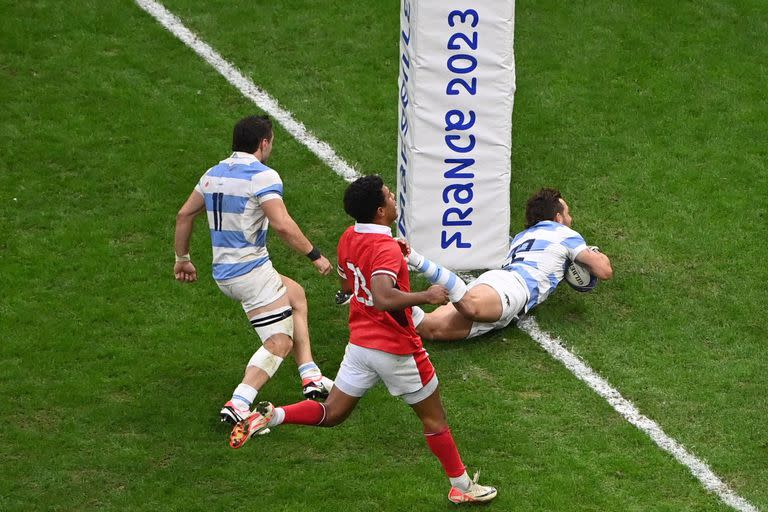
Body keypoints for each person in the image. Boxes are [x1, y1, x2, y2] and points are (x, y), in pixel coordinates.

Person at [228, 175, 497, 504]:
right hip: (398, 350)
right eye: (389, 195)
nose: (394, 198)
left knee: (333, 412)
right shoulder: (385, 248)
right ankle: (463, 487)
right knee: (434, 420)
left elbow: (347, 282)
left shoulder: (349, 236)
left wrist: (361, 287)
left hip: (360, 346)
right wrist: (426, 294)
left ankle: (275, 414)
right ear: (381, 211)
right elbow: (383, 297)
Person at [173, 114, 334, 426]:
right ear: (263, 143)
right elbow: (283, 225)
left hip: (224, 273)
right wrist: (315, 255)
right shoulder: (263, 177)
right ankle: (239, 403)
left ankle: (310, 376)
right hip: (251, 274)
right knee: (279, 342)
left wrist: (182, 258)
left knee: (296, 296)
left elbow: (184, 215)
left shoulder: (212, 174)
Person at [406, 188, 613, 340]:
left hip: (500, 287)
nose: (571, 218)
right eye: (567, 213)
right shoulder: (565, 233)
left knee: (428, 327)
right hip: (513, 288)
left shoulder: (522, 236)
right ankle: (414, 258)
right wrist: (593, 253)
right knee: (469, 307)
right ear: (558, 217)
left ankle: (390, 301)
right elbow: (604, 271)